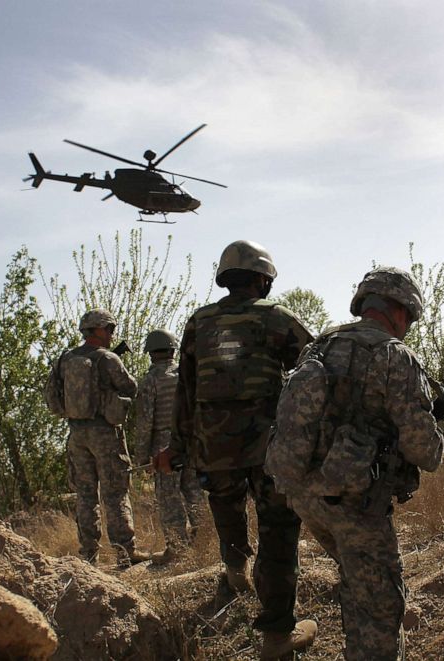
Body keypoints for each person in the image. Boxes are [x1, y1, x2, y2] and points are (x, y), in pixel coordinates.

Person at [266, 267, 444, 660]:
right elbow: (424, 451)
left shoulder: (320, 346)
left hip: (306, 497)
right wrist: (439, 437)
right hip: (354, 504)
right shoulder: (395, 355)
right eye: (410, 318)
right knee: (380, 608)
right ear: (399, 310)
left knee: (358, 580)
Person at [157, 240, 317, 659]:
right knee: (278, 530)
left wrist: (179, 447)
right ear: (263, 279)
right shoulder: (277, 319)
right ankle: (278, 634)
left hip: (215, 449)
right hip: (269, 448)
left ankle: (234, 572)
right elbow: (316, 370)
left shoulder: (198, 322)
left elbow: (185, 394)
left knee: (226, 510)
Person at [47, 308, 149, 568]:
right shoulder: (107, 358)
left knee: (85, 494)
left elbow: (51, 396)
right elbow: (131, 387)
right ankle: (125, 553)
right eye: (110, 329)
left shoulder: (65, 359)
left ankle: (88, 555)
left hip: (76, 434)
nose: (112, 334)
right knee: (115, 492)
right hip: (104, 433)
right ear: (98, 330)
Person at [132, 328, 199, 564]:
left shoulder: (150, 381)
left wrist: (141, 457)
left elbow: (145, 422)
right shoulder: (187, 375)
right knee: (195, 492)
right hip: (192, 442)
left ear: (150, 354)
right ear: (173, 350)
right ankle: (205, 541)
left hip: (164, 445)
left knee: (169, 499)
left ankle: (178, 549)